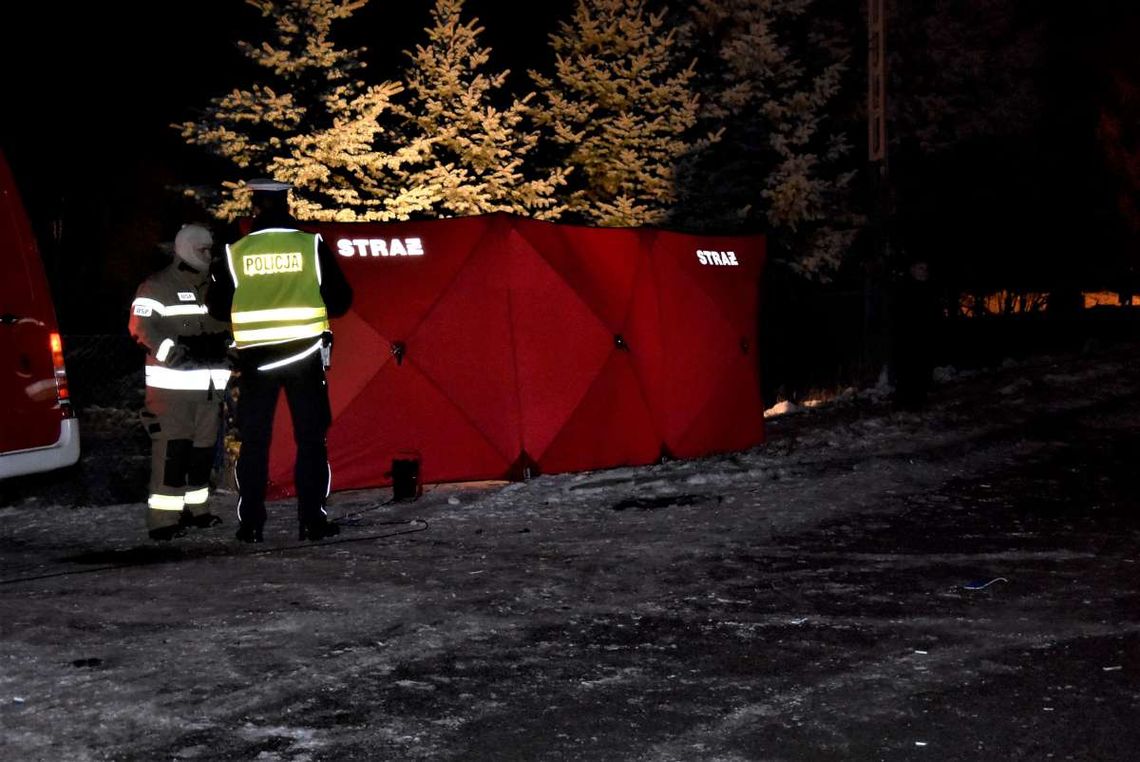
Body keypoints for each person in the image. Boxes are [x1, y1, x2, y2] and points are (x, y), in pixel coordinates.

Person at [207, 179, 353, 543]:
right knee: (311, 439)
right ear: (287, 205)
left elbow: (217, 307)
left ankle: (251, 525)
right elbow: (340, 301)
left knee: (255, 441)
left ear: (255, 207)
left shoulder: (234, 251)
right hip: (304, 356)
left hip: (256, 359)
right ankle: (312, 522)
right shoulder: (310, 245)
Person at [129, 224, 233, 541]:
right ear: (187, 248)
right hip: (171, 391)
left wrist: (229, 351)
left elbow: (229, 326)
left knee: (201, 454)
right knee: (173, 454)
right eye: (203, 249)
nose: (209, 255)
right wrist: (172, 353)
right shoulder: (157, 286)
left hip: (209, 390)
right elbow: (140, 327)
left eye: (210, 249)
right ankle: (163, 520)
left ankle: (197, 510)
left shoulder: (215, 286)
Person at [888, 257, 941, 411]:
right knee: (907, 370)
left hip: (925, 337)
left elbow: (934, 312)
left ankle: (919, 400)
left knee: (923, 370)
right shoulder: (904, 288)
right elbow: (898, 314)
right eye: (920, 268)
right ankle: (905, 401)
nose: (924, 272)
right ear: (912, 270)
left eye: (925, 268)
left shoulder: (930, 288)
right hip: (908, 338)